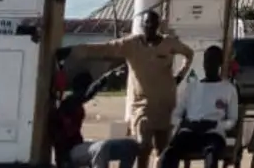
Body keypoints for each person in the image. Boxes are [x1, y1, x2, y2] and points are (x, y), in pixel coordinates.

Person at [60, 10, 195, 168]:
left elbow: (189, 53)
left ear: (158, 25)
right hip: (143, 106)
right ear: (142, 25)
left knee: (162, 150)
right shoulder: (131, 44)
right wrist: (73, 51)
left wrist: (180, 76)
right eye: (147, 23)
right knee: (143, 146)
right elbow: (105, 48)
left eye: (154, 23)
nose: (150, 27)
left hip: (165, 105)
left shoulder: (169, 43)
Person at [158, 45, 239, 168]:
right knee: (169, 153)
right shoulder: (192, 87)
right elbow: (175, 115)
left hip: (213, 133)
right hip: (190, 131)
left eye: (213, 61)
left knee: (211, 153)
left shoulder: (228, 89)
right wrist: (185, 123)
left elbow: (232, 119)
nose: (208, 65)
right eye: (206, 61)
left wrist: (216, 125)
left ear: (220, 64)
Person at [49, 68, 140, 168]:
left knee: (130, 145)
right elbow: (86, 94)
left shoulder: (75, 103)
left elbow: (86, 94)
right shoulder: (68, 103)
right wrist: (104, 79)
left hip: (79, 147)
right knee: (101, 148)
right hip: (68, 154)